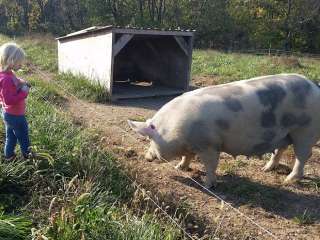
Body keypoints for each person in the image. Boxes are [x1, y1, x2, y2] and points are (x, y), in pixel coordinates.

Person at [0, 42, 31, 161]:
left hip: (9, 114)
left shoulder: (6, 73)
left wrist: (21, 82)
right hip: (15, 115)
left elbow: (15, 79)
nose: (21, 64)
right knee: (23, 136)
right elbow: (8, 100)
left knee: (11, 136)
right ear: (11, 61)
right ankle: (28, 158)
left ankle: (9, 156)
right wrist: (24, 92)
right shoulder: (6, 79)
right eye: (19, 62)